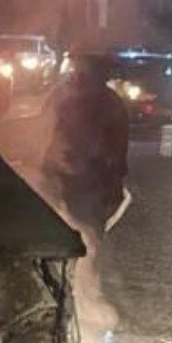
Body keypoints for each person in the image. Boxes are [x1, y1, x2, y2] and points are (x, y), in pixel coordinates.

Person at [43, 55, 130, 239]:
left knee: (82, 220)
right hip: (77, 170)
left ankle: (84, 253)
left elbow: (118, 139)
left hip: (88, 172)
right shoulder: (109, 101)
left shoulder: (107, 101)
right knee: (83, 221)